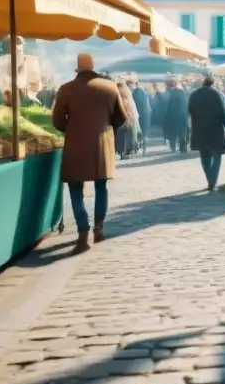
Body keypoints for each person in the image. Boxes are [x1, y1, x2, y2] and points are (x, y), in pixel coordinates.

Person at [52, 53, 127, 253]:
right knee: (101, 187)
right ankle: (99, 229)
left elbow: (57, 121)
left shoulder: (66, 89)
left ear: (78, 68)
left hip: (76, 144)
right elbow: (121, 117)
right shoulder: (109, 87)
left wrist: (74, 128)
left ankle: (83, 232)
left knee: (75, 189)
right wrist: (106, 128)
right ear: (94, 67)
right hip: (102, 144)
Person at [188, 75, 225, 191]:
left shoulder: (194, 94)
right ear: (214, 84)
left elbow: (190, 112)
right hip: (215, 130)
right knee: (216, 156)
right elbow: (223, 113)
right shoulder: (217, 94)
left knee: (204, 156)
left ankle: (210, 179)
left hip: (199, 129)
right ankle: (213, 180)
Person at [162, 78, 190, 153]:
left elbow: (165, 105)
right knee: (181, 133)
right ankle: (183, 148)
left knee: (172, 133)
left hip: (171, 116)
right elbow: (185, 104)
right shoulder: (181, 92)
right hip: (181, 116)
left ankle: (173, 147)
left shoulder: (167, 93)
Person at [115, 82, 141, 159]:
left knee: (124, 136)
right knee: (129, 136)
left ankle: (124, 152)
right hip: (128, 118)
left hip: (126, 118)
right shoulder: (127, 96)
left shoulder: (121, 97)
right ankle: (127, 152)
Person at [129, 78, 152, 143]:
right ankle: (143, 142)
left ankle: (142, 142)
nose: (130, 87)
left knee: (141, 130)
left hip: (142, 113)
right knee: (143, 130)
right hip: (145, 113)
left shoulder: (137, 91)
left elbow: (138, 103)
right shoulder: (141, 91)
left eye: (130, 85)